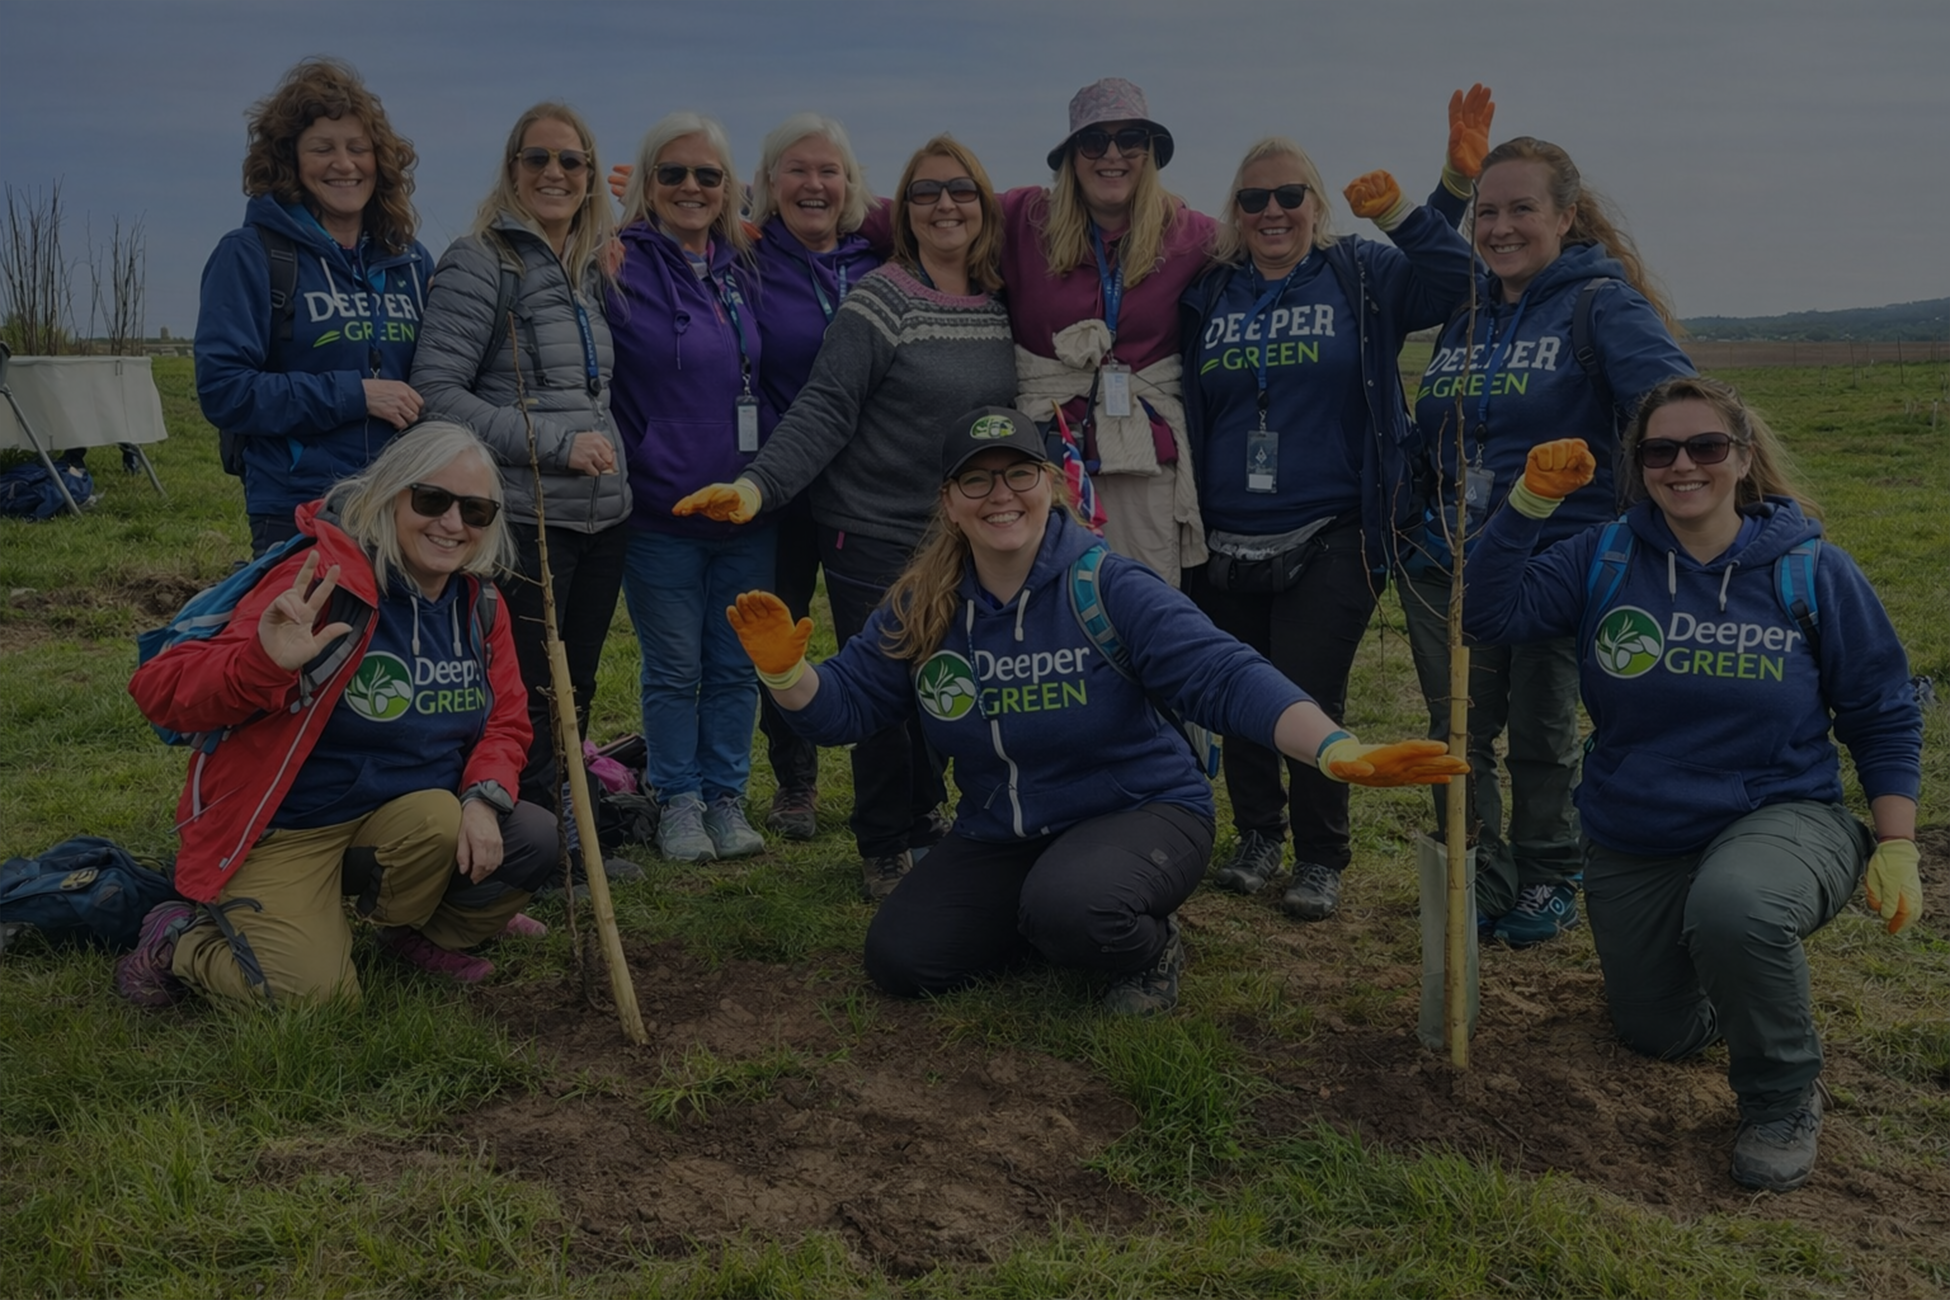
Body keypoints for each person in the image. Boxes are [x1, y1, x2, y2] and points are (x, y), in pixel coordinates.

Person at [725, 406, 1467, 1013]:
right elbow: (841, 712)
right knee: (902, 958)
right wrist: (786, 672)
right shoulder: (925, 607)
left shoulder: (1107, 586)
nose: (1000, 496)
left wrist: (1335, 749)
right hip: (1003, 830)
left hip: (1142, 812)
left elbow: (1228, 676)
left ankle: (1146, 947)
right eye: (975, 483)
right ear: (949, 504)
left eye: (1018, 473)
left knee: (1077, 909)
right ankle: (1050, 909)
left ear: (1050, 485)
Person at [1464, 377, 1923, 1192]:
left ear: (1742, 459)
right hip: (1638, 830)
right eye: (1660, 451)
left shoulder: (1812, 571)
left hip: (1783, 813)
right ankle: (1736, 973)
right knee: (1657, 1031)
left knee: (1736, 907)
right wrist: (1529, 502)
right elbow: (1486, 616)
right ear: (1639, 467)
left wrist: (1896, 842)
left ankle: (1782, 1095)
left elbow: (1881, 710)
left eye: (1706, 446)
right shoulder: (1602, 557)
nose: (1684, 465)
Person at [673, 136, 1015, 900]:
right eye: (924, 193)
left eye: (960, 190)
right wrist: (758, 487)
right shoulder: (880, 299)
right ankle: (884, 842)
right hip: (875, 528)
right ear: (906, 211)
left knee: (951, 679)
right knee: (888, 690)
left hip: (966, 534)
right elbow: (825, 407)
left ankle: (932, 817)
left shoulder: (997, 301)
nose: (944, 206)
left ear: (983, 203)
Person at [117, 423, 559, 1008]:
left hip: (405, 821)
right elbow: (159, 689)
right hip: (286, 829)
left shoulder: (480, 605)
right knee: (313, 999)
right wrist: (260, 663)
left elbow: (505, 723)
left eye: (474, 511)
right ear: (389, 496)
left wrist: (481, 797)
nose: (452, 524)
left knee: (526, 833)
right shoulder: (325, 580)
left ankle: (418, 935)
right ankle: (179, 938)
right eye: (431, 500)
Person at [1402, 134, 1695, 947]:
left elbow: (1675, 412)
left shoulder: (1602, 305)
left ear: (1565, 217)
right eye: (1485, 212)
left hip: (1554, 564)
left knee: (1541, 730)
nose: (1499, 227)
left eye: (1521, 209)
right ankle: (1480, 866)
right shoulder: (1466, 316)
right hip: (1449, 559)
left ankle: (1547, 872)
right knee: (1456, 728)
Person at [1181, 139, 1472, 922]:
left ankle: (1321, 854)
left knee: (1309, 690)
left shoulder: (1360, 273)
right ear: (1234, 215)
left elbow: (1455, 281)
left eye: (1289, 196)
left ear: (1317, 203)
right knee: (1237, 690)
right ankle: (1256, 835)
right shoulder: (1208, 292)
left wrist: (1423, 204)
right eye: (1253, 200)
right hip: (1223, 532)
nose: (1272, 212)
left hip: (1335, 525)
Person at [410, 102, 634, 866]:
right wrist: (555, 445)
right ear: (511, 171)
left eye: (572, 161)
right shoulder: (481, 261)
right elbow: (438, 391)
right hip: (525, 515)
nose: (555, 174)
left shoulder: (589, 268)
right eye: (536, 159)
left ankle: (567, 829)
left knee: (578, 689)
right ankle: (539, 846)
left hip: (605, 517)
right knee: (530, 692)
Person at [608, 112, 771, 864]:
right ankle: (676, 800)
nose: (691, 187)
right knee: (675, 666)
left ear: (729, 188)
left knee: (737, 662)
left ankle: (727, 796)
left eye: (708, 175)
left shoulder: (746, 266)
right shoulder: (616, 264)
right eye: (672, 173)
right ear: (646, 184)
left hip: (744, 507)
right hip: (660, 511)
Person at [195, 57, 433, 556]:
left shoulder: (410, 261)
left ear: (380, 161)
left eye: (358, 149)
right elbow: (225, 390)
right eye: (322, 149)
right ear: (290, 162)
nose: (344, 165)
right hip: (299, 506)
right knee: (318, 638)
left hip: (403, 503)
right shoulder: (250, 255)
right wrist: (355, 395)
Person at [742, 113, 886, 842]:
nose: (814, 184)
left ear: (851, 184)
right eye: (796, 169)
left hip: (865, 484)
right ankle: (795, 783)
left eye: (830, 170)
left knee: (876, 635)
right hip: (783, 480)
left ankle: (887, 780)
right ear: (767, 184)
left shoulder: (879, 258)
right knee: (782, 630)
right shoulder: (746, 256)